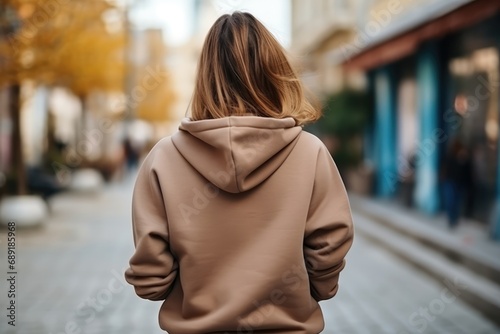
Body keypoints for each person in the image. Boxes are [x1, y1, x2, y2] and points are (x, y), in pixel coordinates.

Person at [124, 12, 354, 333]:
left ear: (204, 76)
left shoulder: (163, 158)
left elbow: (151, 279)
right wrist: (312, 287)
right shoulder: (310, 152)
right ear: (275, 71)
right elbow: (329, 248)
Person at [441, 139, 473, 229]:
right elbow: (445, 168)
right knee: (451, 201)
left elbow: (467, 171)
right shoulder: (450, 156)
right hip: (450, 182)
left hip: (459, 183)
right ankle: (451, 219)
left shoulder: (463, 157)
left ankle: (454, 219)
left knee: (457, 202)